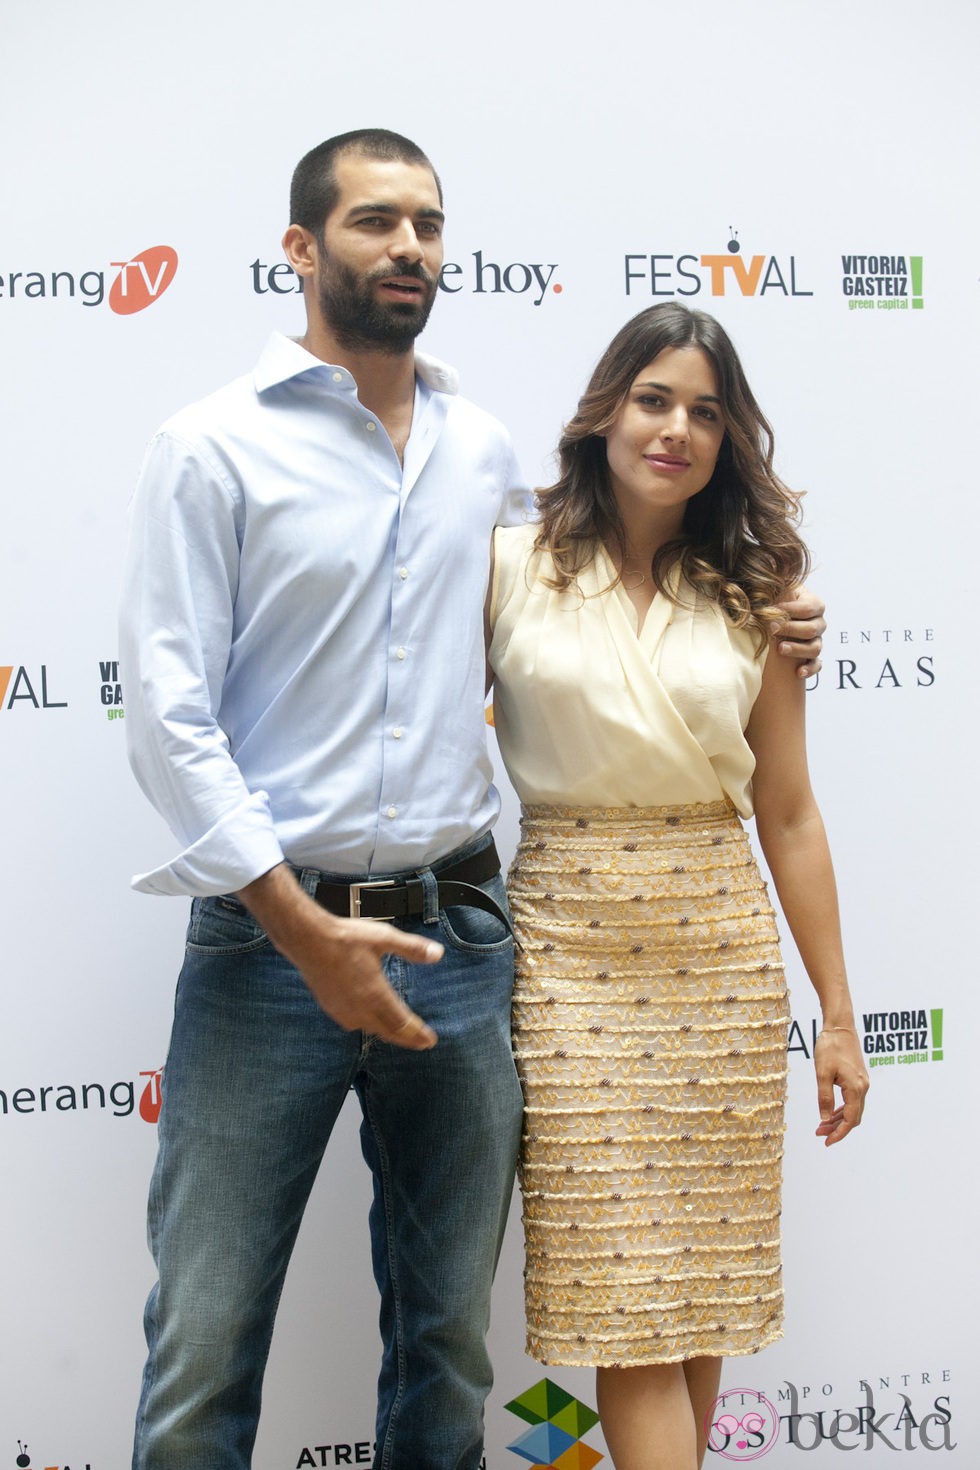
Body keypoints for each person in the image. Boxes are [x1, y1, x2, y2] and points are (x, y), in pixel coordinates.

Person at [120, 128, 827, 1470]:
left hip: (460, 935)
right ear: (300, 247)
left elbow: (605, 601)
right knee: (204, 1340)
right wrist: (296, 924)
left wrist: (777, 620)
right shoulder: (209, 448)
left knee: (446, 1341)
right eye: (376, 220)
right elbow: (167, 720)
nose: (408, 248)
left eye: (430, 225)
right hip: (268, 944)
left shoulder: (480, 452)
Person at [487, 302, 868, 1470]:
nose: (676, 429)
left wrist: (838, 1014)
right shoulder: (507, 560)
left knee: (692, 1298)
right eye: (653, 399)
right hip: (567, 949)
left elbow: (789, 813)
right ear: (604, 410)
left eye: (705, 411)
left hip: (717, 947)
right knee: (627, 1304)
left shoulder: (758, 595)